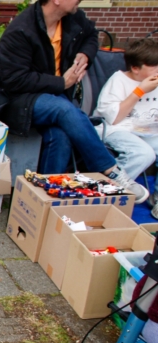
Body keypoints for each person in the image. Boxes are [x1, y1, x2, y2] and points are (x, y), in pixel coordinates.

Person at [0, 0, 148, 203]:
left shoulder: (72, 18)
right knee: (64, 110)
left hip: (55, 97)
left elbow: (92, 35)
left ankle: (47, 201)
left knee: (61, 134)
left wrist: (85, 54)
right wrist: (61, 82)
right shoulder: (20, 31)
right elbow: (13, 79)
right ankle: (109, 169)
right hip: (19, 101)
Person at [93, 38, 158, 214]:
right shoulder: (119, 81)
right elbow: (113, 119)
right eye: (154, 66)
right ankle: (111, 192)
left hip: (147, 130)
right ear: (136, 68)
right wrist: (139, 91)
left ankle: (156, 197)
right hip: (115, 129)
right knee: (144, 153)